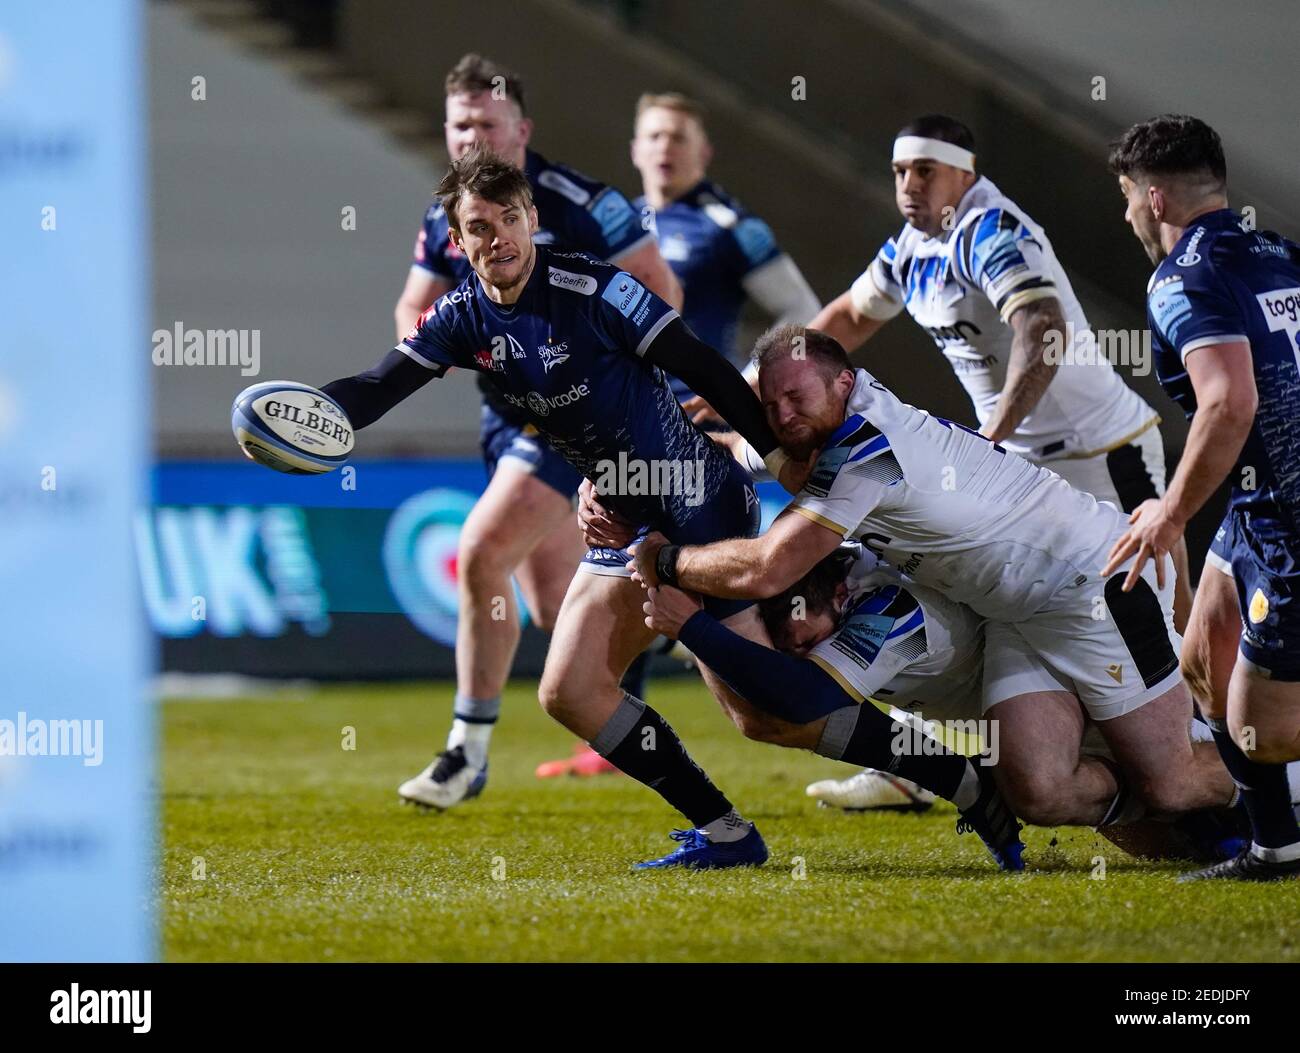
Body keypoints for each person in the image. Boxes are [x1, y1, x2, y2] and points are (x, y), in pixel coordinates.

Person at [321, 149, 800, 868]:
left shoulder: (593, 288)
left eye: (509, 220)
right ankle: (730, 832)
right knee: (571, 690)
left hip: (699, 505)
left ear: (533, 221)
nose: (497, 238)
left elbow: (701, 365)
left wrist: (783, 458)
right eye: (479, 228)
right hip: (622, 523)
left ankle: (934, 765)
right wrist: (311, 416)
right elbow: (376, 385)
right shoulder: (460, 315)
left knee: (765, 711)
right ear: (459, 243)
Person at [626, 326, 1235, 831]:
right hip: (1017, 615)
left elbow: (768, 569)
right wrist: (633, 470)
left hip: (1093, 587)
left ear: (844, 382)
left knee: (1177, 785)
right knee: (1041, 795)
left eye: (794, 398)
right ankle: (1194, 791)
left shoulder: (867, 452)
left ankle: (1263, 782)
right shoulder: (841, 419)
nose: (782, 417)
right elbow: (756, 453)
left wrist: (664, 561)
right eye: (770, 405)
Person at [391, 54, 683, 805]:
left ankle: (466, 753)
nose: (472, 136)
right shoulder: (444, 214)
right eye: (460, 123)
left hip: (573, 419)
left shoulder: (582, 203)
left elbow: (661, 290)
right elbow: (411, 308)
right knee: (563, 612)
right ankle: (700, 614)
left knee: (481, 551)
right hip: (505, 419)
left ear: (521, 130)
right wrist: (433, 345)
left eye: (486, 122)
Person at [809, 114, 1191, 631]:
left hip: (1098, 451)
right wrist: (757, 378)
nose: (909, 186)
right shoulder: (909, 246)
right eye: (900, 172)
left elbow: (1043, 330)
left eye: (925, 171)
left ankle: (1204, 712)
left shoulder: (990, 230)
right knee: (1039, 620)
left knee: (1156, 616)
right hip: (1018, 460)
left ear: (964, 175)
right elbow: (851, 317)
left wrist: (989, 439)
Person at [1106, 114, 1300, 881]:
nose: (1125, 215)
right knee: (1201, 662)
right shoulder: (1278, 251)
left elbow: (1228, 403)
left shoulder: (1183, 277)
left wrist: (1171, 511)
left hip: (1288, 519)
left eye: (1125, 197)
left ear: (1153, 198)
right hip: (1259, 507)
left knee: (1266, 734)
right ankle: (1275, 844)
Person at [629, 92, 820, 400]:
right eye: (655, 136)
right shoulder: (619, 221)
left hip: (692, 418)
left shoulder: (730, 225)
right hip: (623, 415)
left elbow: (804, 310)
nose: (664, 147)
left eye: (678, 138)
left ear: (703, 153)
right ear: (636, 151)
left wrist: (749, 381)